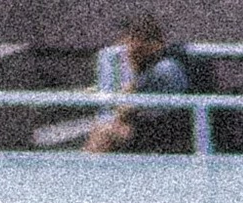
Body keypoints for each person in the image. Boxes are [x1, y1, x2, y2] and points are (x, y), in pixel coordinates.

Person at [82, 19, 206, 150]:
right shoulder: (150, 65)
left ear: (155, 45)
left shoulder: (164, 69)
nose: (130, 49)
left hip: (168, 129)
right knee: (105, 127)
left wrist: (134, 68)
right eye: (130, 42)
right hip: (150, 122)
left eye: (137, 43)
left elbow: (124, 110)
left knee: (106, 131)